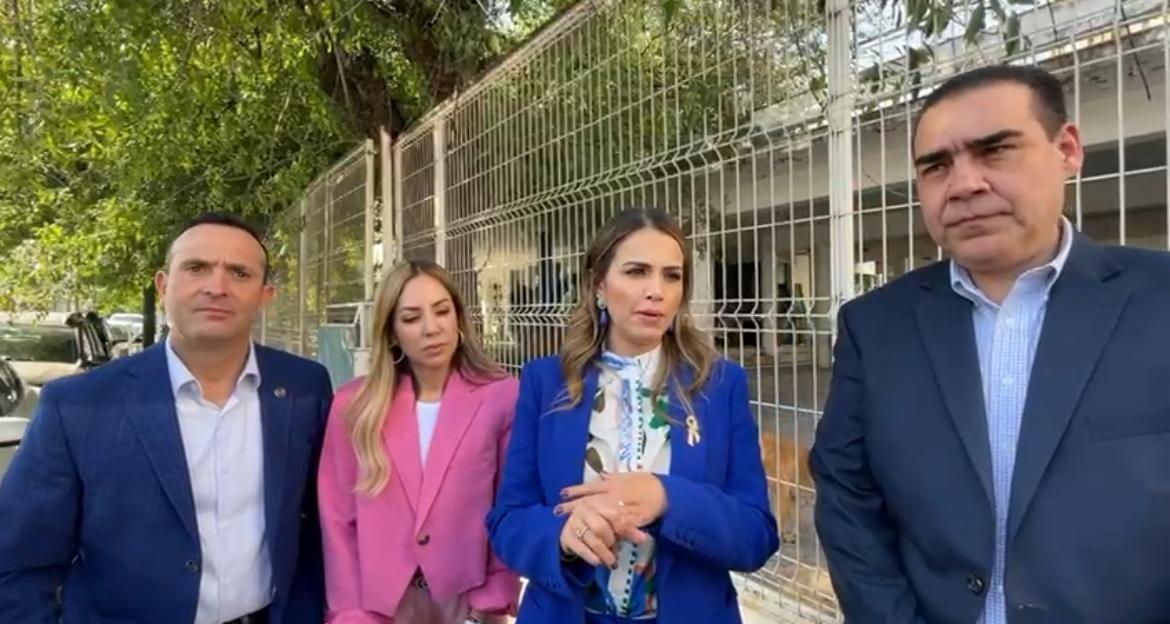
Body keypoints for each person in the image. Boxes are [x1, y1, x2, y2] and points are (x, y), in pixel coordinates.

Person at [811, 64, 1170, 623]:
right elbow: (847, 499)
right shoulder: (875, 327)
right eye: (936, 166)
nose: (964, 184)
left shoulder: (1159, 301)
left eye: (995, 150)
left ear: (1067, 149)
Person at [0, 212, 332, 624]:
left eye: (239, 273)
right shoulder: (79, 405)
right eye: (197, 268)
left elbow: (320, 524)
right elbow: (18, 561)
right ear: (163, 285)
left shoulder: (304, 388)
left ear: (265, 295)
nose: (217, 286)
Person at [488, 207, 779, 624]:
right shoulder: (546, 381)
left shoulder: (719, 385)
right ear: (599, 286)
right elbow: (508, 521)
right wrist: (562, 538)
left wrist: (666, 498)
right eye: (637, 272)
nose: (656, 290)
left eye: (671, 276)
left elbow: (756, 536)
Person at [318, 260, 520, 624]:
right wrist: (349, 612)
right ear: (392, 332)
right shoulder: (354, 405)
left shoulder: (501, 396)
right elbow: (338, 519)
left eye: (442, 311)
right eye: (411, 318)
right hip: (378, 606)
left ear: (458, 317)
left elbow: (509, 502)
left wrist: (491, 599)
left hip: (467, 602)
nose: (432, 328)